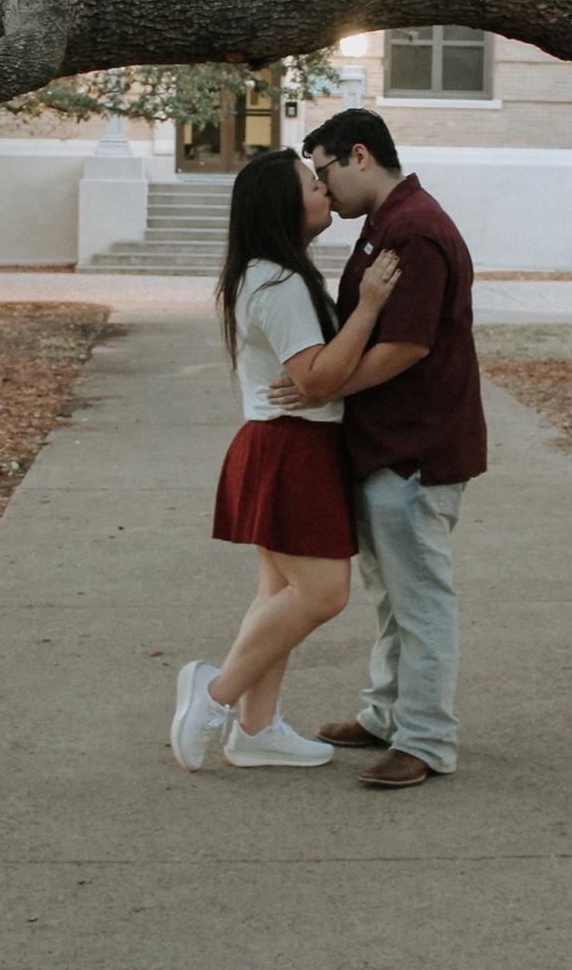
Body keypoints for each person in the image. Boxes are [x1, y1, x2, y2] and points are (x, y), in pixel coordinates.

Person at [170, 147, 402, 773]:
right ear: (281, 204)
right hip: (290, 443)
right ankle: (214, 697)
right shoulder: (277, 281)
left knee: (279, 590)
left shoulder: (269, 274)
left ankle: (256, 728)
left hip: (283, 442)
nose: (323, 187)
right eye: (309, 183)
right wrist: (372, 308)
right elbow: (318, 379)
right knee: (323, 594)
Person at [276, 109, 487, 789]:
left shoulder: (415, 230)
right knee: (393, 597)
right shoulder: (387, 224)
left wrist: (325, 389)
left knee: (420, 598)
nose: (322, 186)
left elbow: (406, 346)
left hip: (416, 450)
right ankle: (388, 714)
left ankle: (426, 739)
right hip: (385, 446)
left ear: (359, 155)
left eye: (324, 170)